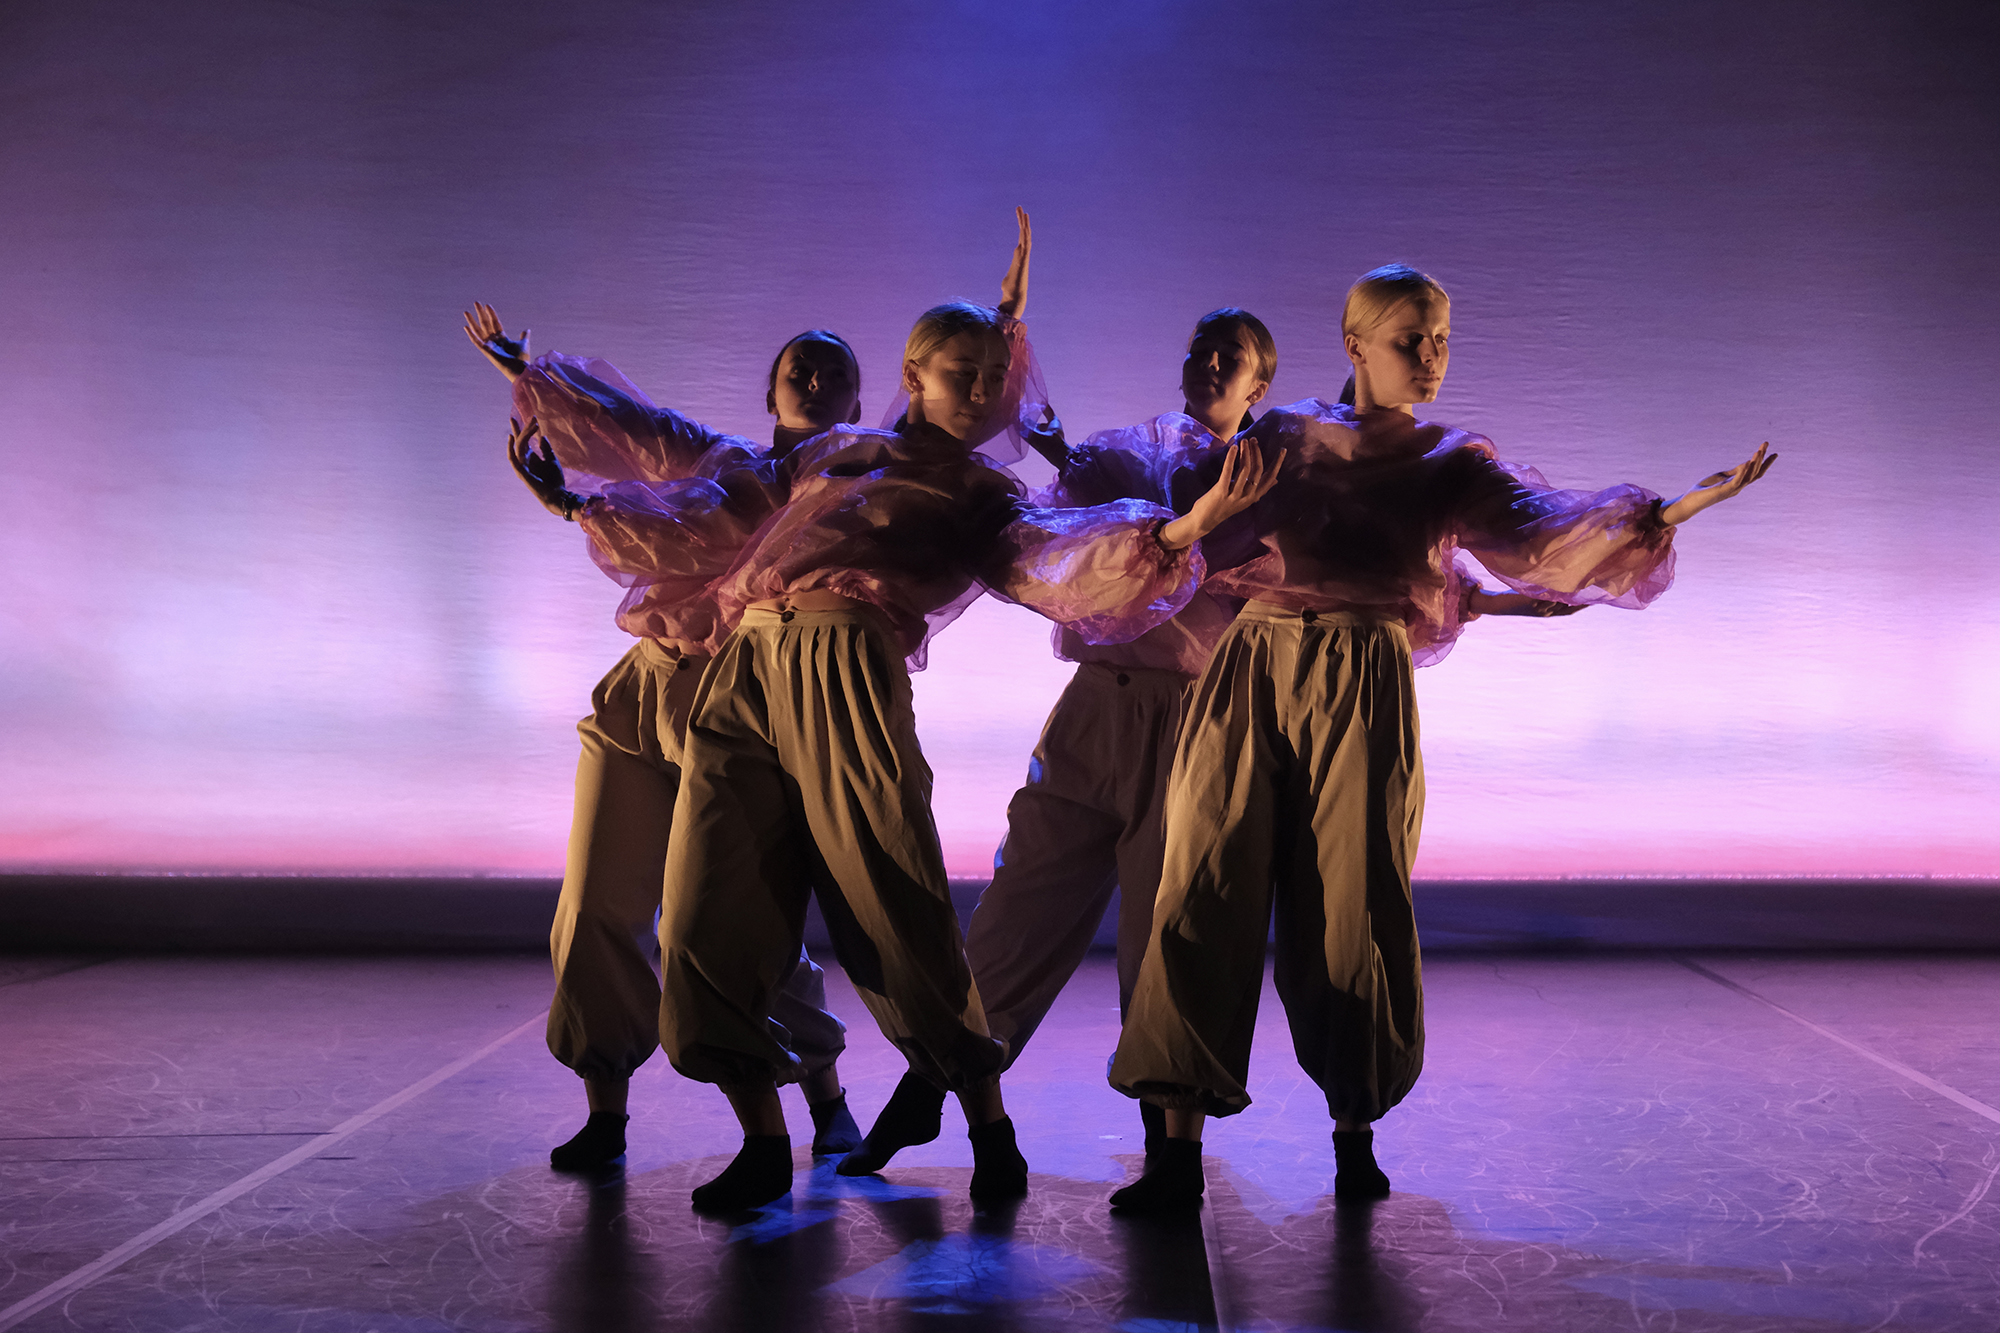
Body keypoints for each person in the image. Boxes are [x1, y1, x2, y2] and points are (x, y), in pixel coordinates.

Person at [509, 281, 1279, 1213]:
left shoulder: (982, 490)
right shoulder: (831, 454)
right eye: (966, 372)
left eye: (997, 378)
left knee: (894, 908)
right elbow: (705, 508)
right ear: (915, 375)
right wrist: (580, 503)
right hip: (748, 658)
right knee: (712, 904)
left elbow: (1053, 555)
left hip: (845, 668)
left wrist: (1178, 531)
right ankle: (762, 1139)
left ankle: (986, 1118)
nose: (985, 389)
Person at [1106, 262, 1777, 1211]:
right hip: (1255, 666)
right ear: (1355, 345)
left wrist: (1671, 511)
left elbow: (1546, 535)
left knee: (1356, 896)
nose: (1430, 357)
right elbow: (1199, 533)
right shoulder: (1289, 435)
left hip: (1364, 679)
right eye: (1410, 339)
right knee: (1203, 881)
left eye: (1442, 339)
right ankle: (1173, 1151)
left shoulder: (1454, 457)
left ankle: (1352, 1132)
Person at [465, 305, 870, 1170]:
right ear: (771, 388)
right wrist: (527, 375)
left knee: (728, 919)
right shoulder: (721, 458)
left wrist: (577, 506)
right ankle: (605, 1109)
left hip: (738, 704)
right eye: (802, 363)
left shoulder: (847, 482)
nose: (815, 377)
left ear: (857, 400)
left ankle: (823, 1088)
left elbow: (717, 533)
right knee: (594, 903)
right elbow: (632, 428)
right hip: (643, 686)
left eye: (835, 371)